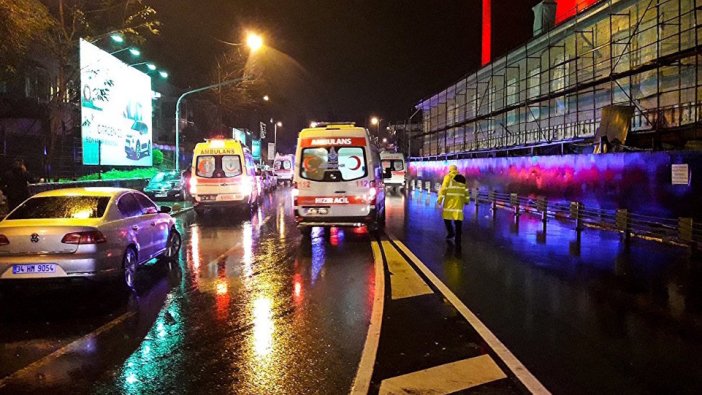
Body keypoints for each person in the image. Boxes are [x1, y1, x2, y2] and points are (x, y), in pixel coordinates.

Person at [437, 166, 469, 243]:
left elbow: (443, 189)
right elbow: (466, 191)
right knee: (458, 219)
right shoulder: (462, 178)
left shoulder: (448, 177)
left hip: (449, 202)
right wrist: (466, 200)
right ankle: (458, 236)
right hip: (459, 202)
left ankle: (451, 233)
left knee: (446, 218)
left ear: (450, 170)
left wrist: (439, 200)